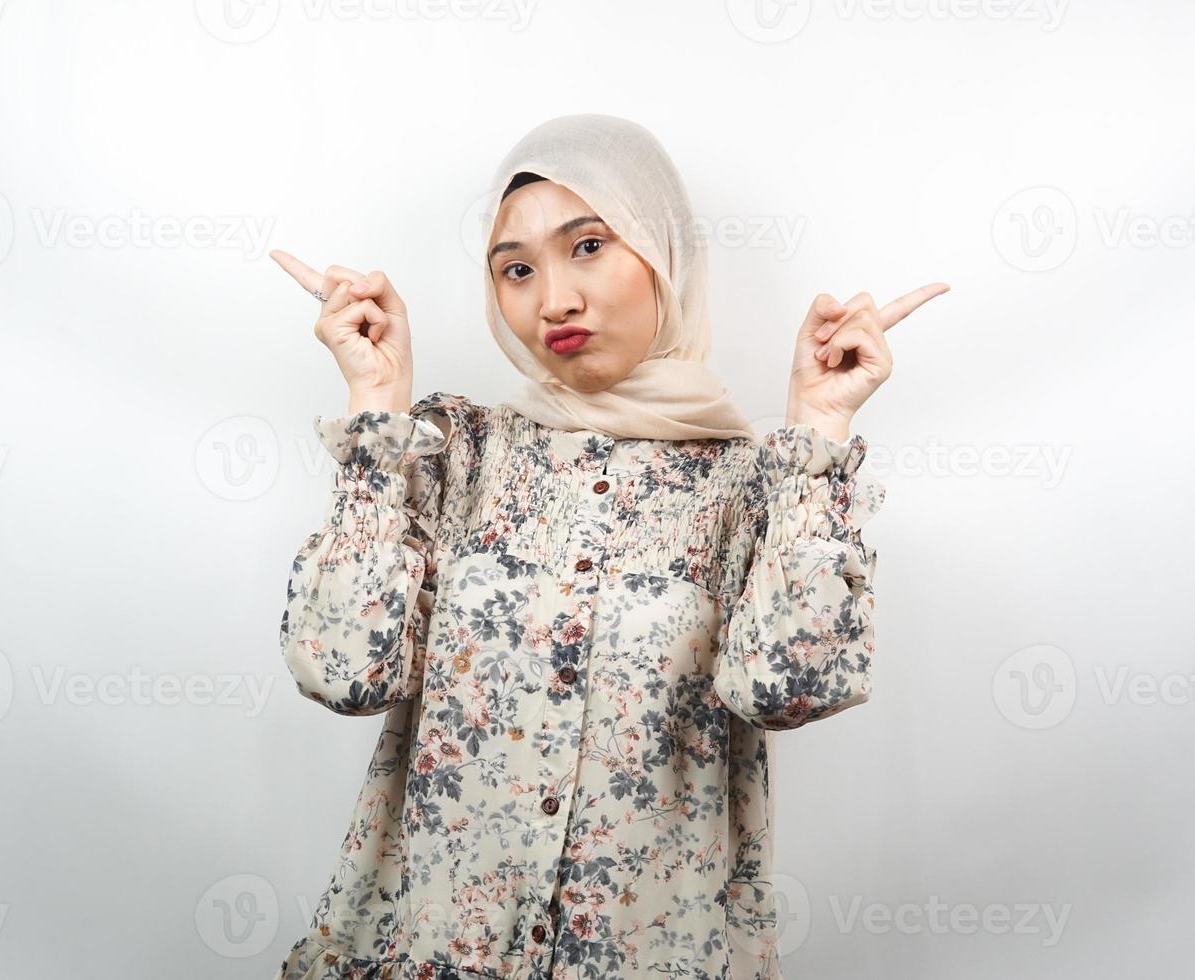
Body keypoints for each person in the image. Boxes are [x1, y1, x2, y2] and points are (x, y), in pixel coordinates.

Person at [265, 113, 947, 980]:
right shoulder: (455, 453)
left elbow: (790, 689)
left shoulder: (753, 489)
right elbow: (343, 672)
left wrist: (818, 431)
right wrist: (376, 406)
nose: (553, 300)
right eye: (516, 269)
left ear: (664, 254)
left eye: (587, 246)